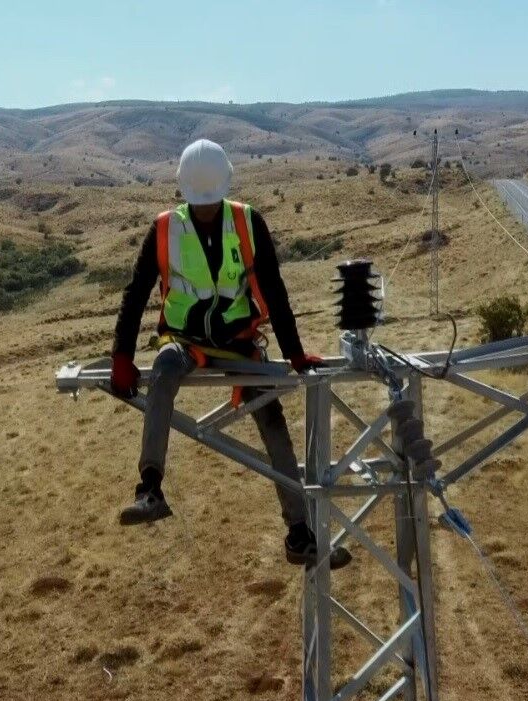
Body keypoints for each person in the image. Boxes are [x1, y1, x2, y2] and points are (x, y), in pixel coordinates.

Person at [110, 139, 350, 568]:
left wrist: (295, 356)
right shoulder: (165, 228)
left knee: (271, 418)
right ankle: (150, 489)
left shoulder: (247, 222)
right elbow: (136, 294)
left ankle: (298, 532)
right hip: (184, 342)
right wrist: (121, 357)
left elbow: (274, 291)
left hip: (239, 344)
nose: (204, 209)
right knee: (164, 368)